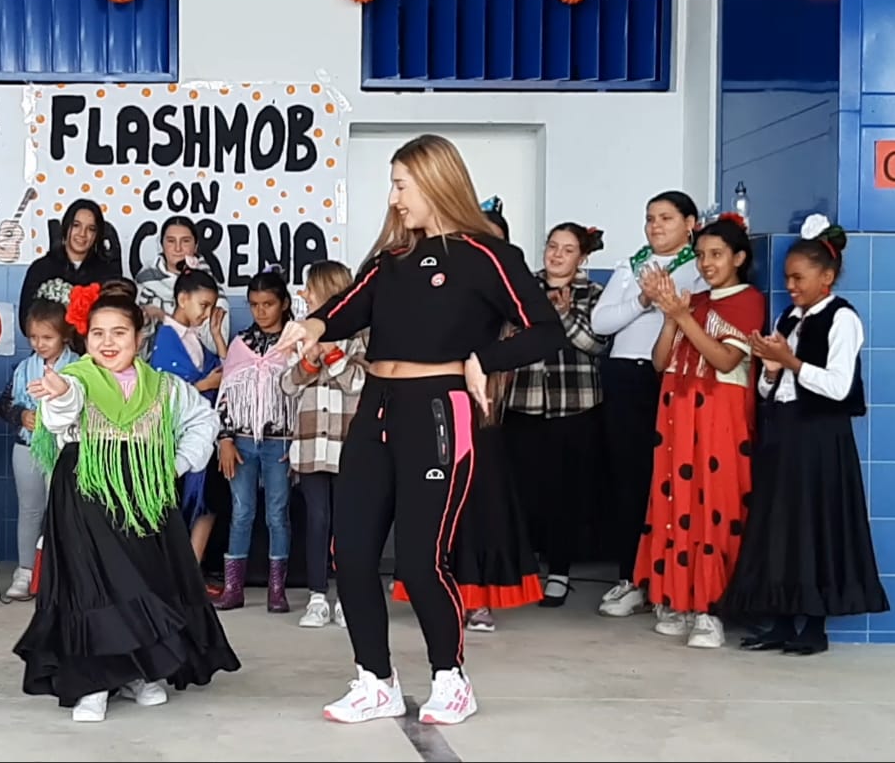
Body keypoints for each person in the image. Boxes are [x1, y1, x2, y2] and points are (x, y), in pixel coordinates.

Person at [289, 134, 565, 726]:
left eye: (400, 185)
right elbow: (349, 307)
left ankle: (451, 679)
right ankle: (375, 680)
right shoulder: (390, 260)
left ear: (435, 183)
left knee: (420, 559)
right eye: (392, 186)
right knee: (353, 551)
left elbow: (546, 329)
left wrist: (485, 361)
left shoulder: (486, 254)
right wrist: (312, 324)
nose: (394, 200)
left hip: (438, 410)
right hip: (377, 407)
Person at [13, 281, 241, 723]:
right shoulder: (77, 377)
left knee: (143, 581)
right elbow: (61, 415)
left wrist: (175, 465)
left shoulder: (164, 387)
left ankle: (141, 672)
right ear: (86, 338)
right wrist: (59, 394)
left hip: (143, 496)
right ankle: (94, 682)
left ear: (139, 338)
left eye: (119, 332)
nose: (108, 342)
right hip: (84, 492)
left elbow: (204, 420)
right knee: (92, 587)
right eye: (98, 333)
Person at [718, 214, 889, 656]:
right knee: (780, 527)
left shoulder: (842, 319)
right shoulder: (789, 318)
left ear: (826, 277)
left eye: (798, 278)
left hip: (820, 438)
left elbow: (838, 385)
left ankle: (813, 626)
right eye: (787, 278)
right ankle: (778, 620)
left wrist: (791, 364)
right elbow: (772, 385)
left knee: (816, 528)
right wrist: (771, 369)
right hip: (785, 433)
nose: (790, 286)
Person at [635, 214, 766, 649]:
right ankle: (676, 598)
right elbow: (658, 362)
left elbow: (726, 360)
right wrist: (672, 315)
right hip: (677, 407)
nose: (707, 263)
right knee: (675, 504)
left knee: (716, 504)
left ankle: (711, 609)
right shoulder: (696, 300)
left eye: (717, 255)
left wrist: (681, 314)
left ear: (739, 258)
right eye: (702, 255)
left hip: (718, 413)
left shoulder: (748, 301)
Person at [590, 190, 711, 618]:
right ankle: (631, 577)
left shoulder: (700, 268)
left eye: (666, 218)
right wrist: (643, 300)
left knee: (665, 480)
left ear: (690, 223)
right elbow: (601, 322)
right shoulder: (632, 265)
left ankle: (665, 583)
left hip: (667, 379)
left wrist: (664, 307)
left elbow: (689, 320)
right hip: (624, 377)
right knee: (628, 481)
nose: (655, 226)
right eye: (649, 218)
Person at [502, 222, 608, 608]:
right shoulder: (522, 288)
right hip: (523, 402)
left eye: (567, 249)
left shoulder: (595, 294)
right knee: (522, 491)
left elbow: (597, 344)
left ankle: (560, 573)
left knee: (566, 494)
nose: (557, 255)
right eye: (552, 246)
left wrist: (563, 315)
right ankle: (524, 572)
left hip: (575, 405)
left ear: (582, 257)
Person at [283, 260, 367, 629]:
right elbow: (286, 385)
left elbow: (361, 383)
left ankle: (350, 597)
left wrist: (332, 354)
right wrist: (309, 361)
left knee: (351, 523)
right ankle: (317, 596)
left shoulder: (364, 334)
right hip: (311, 445)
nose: (304, 295)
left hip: (350, 445)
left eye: (310, 289)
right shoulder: (301, 333)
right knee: (317, 520)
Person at [212, 267, 299, 613]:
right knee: (242, 511)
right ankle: (234, 588)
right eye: (254, 305)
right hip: (243, 440)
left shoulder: (295, 343)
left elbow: (302, 395)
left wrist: (297, 443)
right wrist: (225, 439)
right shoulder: (241, 345)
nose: (261, 311)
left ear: (284, 303)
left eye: (268, 304)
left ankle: (277, 590)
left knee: (277, 513)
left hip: (280, 441)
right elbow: (226, 395)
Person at [147, 269, 231, 568]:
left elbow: (226, 371)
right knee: (181, 504)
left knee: (207, 503)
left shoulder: (193, 338)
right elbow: (162, 391)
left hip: (202, 433)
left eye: (211, 306)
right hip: (176, 437)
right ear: (183, 299)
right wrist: (204, 386)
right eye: (203, 305)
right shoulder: (166, 338)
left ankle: (191, 573)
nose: (206, 313)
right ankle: (177, 572)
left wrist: (219, 336)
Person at [0, 298, 79, 601]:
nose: (40, 344)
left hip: (66, 450)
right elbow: (4, 405)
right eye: (33, 337)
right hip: (27, 448)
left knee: (65, 512)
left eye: (47, 337)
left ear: (65, 336)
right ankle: (26, 571)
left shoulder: (80, 367)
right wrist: (21, 415)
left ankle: (65, 575)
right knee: (30, 510)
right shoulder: (24, 369)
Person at [17, 199, 122, 331]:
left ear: (97, 235)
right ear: (66, 227)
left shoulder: (107, 273)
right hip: (50, 350)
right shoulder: (41, 269)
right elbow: (25, 322)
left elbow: (116, 318)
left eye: (91, 229)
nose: (82, 234)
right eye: (76, 225)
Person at [135, 215, 231, 357]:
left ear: (196, 245)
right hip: (153, 371)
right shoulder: (144, 284)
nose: (178, 248)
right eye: (171, 241)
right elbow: (133, 341)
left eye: (185, 241)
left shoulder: (212, 291)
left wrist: (163, 317)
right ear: (162, 244)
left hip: (198, 370)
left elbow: (217, 348)